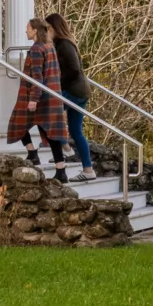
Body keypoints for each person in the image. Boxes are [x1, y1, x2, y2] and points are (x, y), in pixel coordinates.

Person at [7, 17, 70, 182]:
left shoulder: (36, 49)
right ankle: (60, 170)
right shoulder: (50, 47)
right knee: (50, 132)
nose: (26, 31)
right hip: (52, 95)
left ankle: (33, 153)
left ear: (35, 30)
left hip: (38, 95)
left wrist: (33, 99)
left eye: (28, 28)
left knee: (17, 122)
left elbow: (37, 76)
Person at [46, 11, 96, 182]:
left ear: (53, 28)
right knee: (76, 131)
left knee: (49, 113)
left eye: (47, 29)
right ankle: (88, 170)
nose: (46, 32)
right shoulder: (61, 44)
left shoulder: (65, 44)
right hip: (80, 90)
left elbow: (74, 69)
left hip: (75, 90)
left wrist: (59, 86)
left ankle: (64, 147)